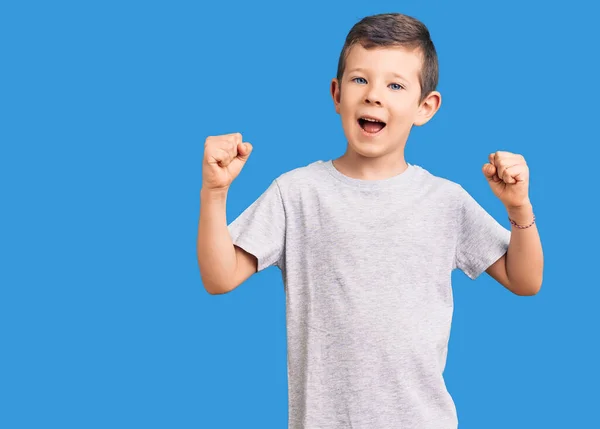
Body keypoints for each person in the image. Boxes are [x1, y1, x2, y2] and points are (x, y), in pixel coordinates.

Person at [197, 12, 544, 429]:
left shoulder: (445, 201)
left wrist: (519, 211)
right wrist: (215, 194)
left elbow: (525, 281)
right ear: (336, 93)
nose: (373, 95)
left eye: (395, 85)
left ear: (425, 107)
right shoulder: (297, 193)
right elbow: (220, 278)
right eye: (360, 80)